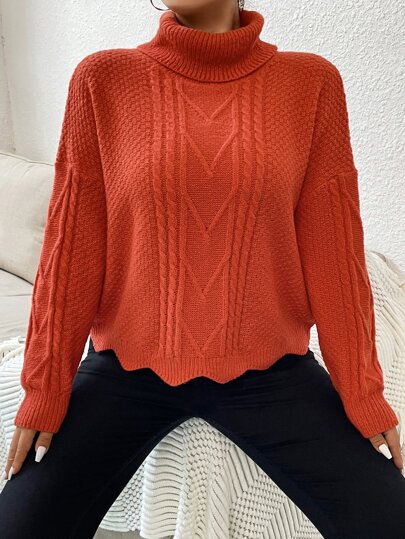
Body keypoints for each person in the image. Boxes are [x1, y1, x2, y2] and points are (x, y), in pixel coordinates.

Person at [0, 0, 404, 537]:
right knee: (19, 523)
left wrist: (364, 395)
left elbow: (335, 253)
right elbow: (71, 250)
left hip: (271, 371)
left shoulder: (311, 84)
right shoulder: (103, 79)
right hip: (127, 368)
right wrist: (44, 390)